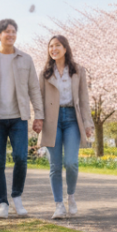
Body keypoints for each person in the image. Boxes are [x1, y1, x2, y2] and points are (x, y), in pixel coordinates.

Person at [0, 18, 44, 219]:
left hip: (18, 117)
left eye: (14, 31)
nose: (11, 35)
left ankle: (17, 197)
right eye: (7, 32)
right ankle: (2, 203)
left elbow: (34, 89)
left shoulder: (25, 59)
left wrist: (39, 115)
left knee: (21, 157)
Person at [39, 35, 94, 219]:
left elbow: (84, 99)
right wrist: (38, 119)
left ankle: (70, 196)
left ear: (65, 48)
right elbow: (39, 100)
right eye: (51, 46)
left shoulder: (78, 70)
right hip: (52, 121)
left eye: (57, 46)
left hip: (72, 119)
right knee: (55, 165)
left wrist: (87, 124)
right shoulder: (45, 73)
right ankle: (59, 205)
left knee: (71, 162)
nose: (53, 49)